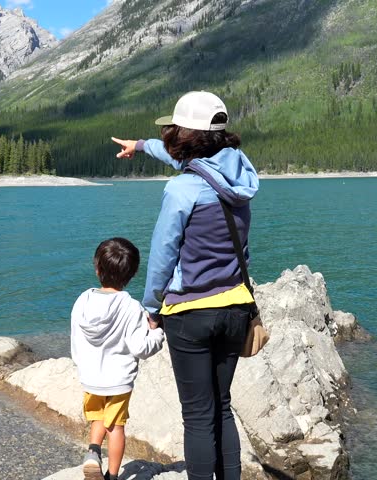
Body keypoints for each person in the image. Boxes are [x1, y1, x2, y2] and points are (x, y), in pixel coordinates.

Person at [111, 91, 260, 480]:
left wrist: (151, 308)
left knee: (197, 415)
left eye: (172, 129)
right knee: (222, 406)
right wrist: (141, 147)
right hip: (235, 308)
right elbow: (185, 159)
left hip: (189, 314)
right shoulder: (239, 174)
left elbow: (163, 254)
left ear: (183, 134)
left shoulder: (183, 190)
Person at [71, 237, 165, 480]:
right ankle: (113, 476)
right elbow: (140, 348)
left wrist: (83, 366)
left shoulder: (82, 300)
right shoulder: (131, 307)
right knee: (115, 427)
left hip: (91, 378)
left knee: (98, 417)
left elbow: (75, 340)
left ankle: (93, 452)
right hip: (118, 380)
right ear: (132, 274)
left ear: (97, 268)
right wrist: (156, 333)